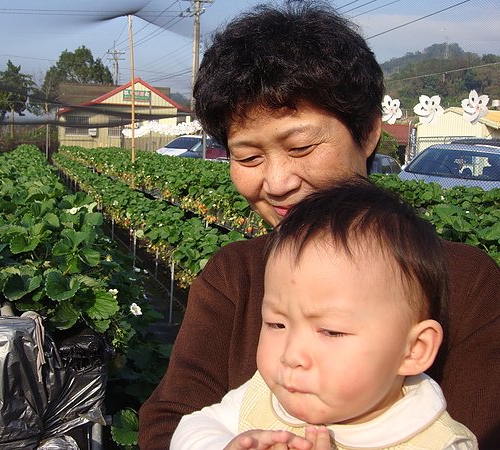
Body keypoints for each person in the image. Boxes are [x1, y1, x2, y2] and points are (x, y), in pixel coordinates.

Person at [138, 1, 500, 448]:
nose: (277, 182)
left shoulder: (466, 283)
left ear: (368, 132)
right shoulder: (235, 274)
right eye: (248, 157)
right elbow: (172, 419)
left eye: (303, 147)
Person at [170, 179, 477, 450]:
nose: (291, 356)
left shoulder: (439, 442)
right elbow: (193, 428)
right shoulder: (262, 395)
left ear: (414, 349)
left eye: (330, 331)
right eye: (276, 324)